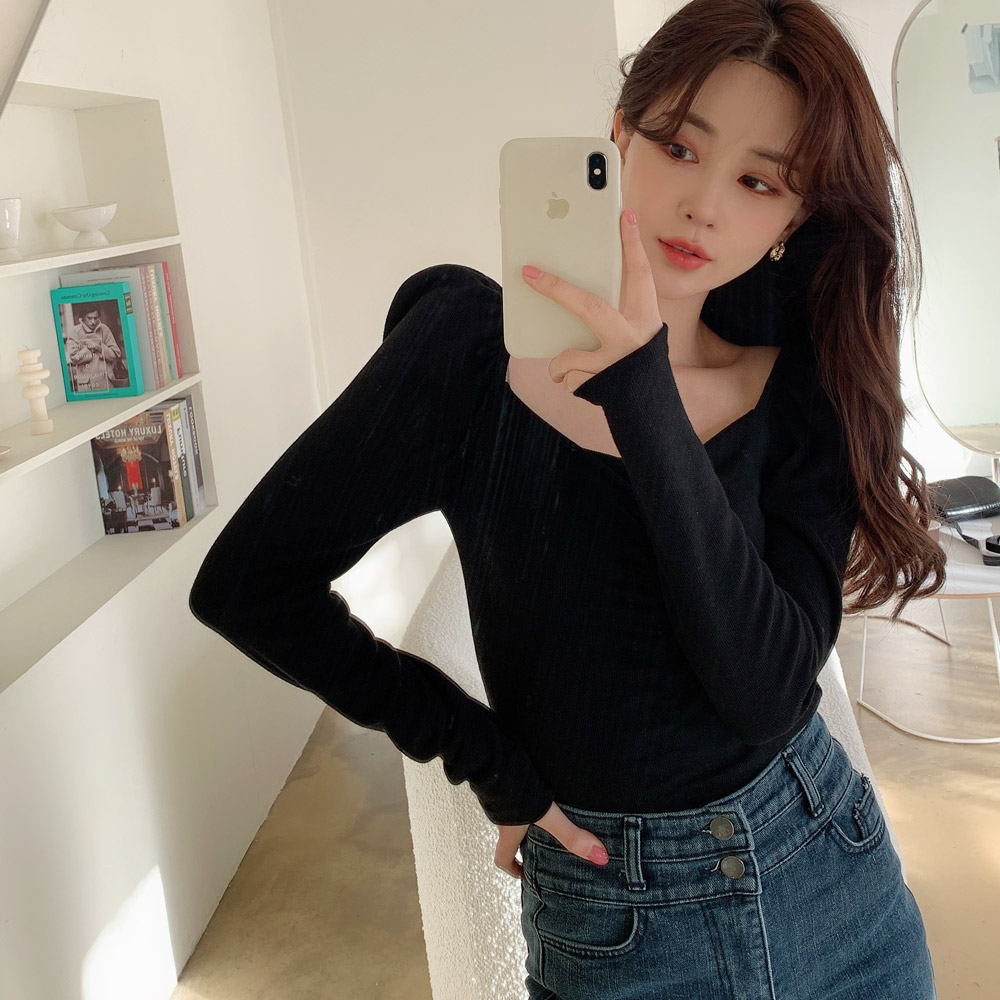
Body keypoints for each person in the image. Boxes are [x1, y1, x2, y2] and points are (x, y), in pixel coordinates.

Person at [189, 0, 944, 995]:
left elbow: (763, 690)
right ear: (618, 134)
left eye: (758, 181)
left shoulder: (802, 386)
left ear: (791, 221)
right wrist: (481, 753)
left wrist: (642, 393)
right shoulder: (467, 355)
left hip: (830, 877)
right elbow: (247, 585)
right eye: (679, 146)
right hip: (619, 927)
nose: (703, 204)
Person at [65, 305, 121, 392]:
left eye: (95, 318)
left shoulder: (104, 329)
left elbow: (116, 354)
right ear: (82, 317)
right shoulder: (75, 332)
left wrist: (99, 347)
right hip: (87, 386)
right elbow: (74, 358)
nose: (93, 321)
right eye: (89, 318)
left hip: (107, 382)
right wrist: (89, 348)